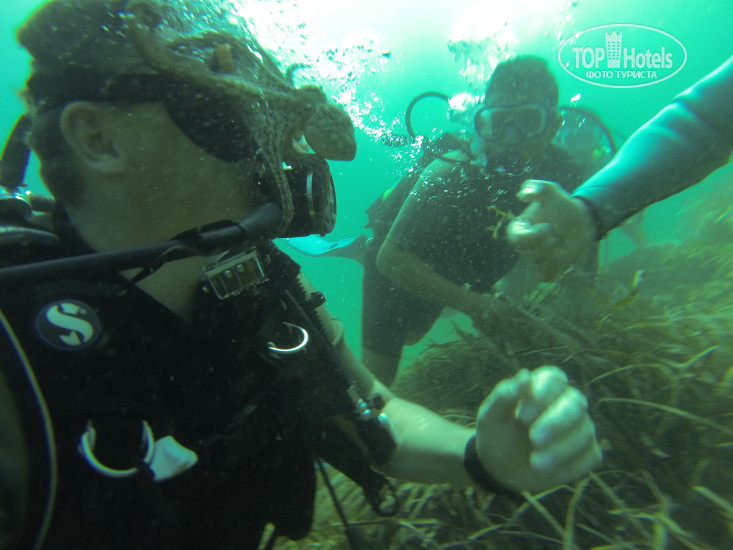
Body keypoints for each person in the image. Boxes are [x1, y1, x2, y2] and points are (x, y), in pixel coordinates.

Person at [0, 2, 602, 549]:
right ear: (99, 138)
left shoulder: (262, 287)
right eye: (216, 89)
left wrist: (479, 457)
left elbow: (373, 414)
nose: (269, 125)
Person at [363, 56, 594, 386]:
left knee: (413, 334)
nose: (511, 138)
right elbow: (390, 259)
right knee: (375, 387)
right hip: (397, 256)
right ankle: (358, 247)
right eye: (499, 122)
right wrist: (476, 306)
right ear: (483, 122)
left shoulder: (567, 177)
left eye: (529, 120)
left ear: (554, 125)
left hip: (458, 266)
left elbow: (584, 241)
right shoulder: (451, 171)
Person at [507, 55, 733, 281]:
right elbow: (699, 122)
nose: (579, 146)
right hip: (548, 237)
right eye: (573, 139)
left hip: (576, 232)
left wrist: (640, 242)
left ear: (596, 140)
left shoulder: (599, 164)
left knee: (580, 267)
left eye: (584, 138)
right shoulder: (553, 164)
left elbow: (699, 123)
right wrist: (588, 211)